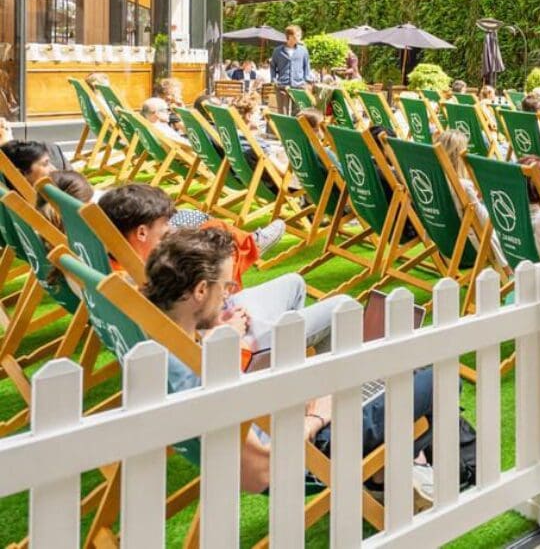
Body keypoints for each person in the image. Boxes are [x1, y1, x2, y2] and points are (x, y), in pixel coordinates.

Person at [141, 227, 437, 508]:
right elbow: (259, 473)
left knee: (381, 369)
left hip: (277, 410)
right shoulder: (197, 372)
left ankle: (395, 468)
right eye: (226, 287)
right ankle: (395, 473)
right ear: (201, 290)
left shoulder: (157, 340)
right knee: (432, 377)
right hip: (306, 442)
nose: (228, 296)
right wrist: (316, 417)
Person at [99, 183, 317, 348]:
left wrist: (214, 317)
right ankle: (289, 369)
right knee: (333, 307)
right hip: (224, 349)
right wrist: (226, 329)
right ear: (142, 232)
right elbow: (191, 343)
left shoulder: (110, 269)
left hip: (209, 320)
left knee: (294, 283)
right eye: (164, 228)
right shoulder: (137, 284)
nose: (169, 231)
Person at [270, 25, 312, 113]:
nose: (299, 38)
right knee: (283, 113)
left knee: (298, 113)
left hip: (299, 87)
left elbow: (306, 67)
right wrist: (274, 80)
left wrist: (305, 81)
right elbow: (273, 67)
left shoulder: (303, 50)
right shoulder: (277, 51)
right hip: (282, 86)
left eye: (300, 35)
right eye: (297, 35)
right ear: (289, 36)